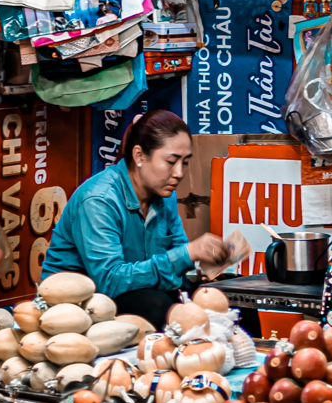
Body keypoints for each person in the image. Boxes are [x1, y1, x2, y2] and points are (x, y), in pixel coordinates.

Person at [41, 109, 228, 329]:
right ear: (139, 156)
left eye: (185, 162)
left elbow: (177, 255)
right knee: (158, 306)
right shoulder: (99, 200)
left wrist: (202, 267)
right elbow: (110, 281)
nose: (179, 173)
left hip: (135, 289)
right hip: (80, 303)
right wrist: (186, 255)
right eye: (171, 161)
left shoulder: (164, 194)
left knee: (223, 301)